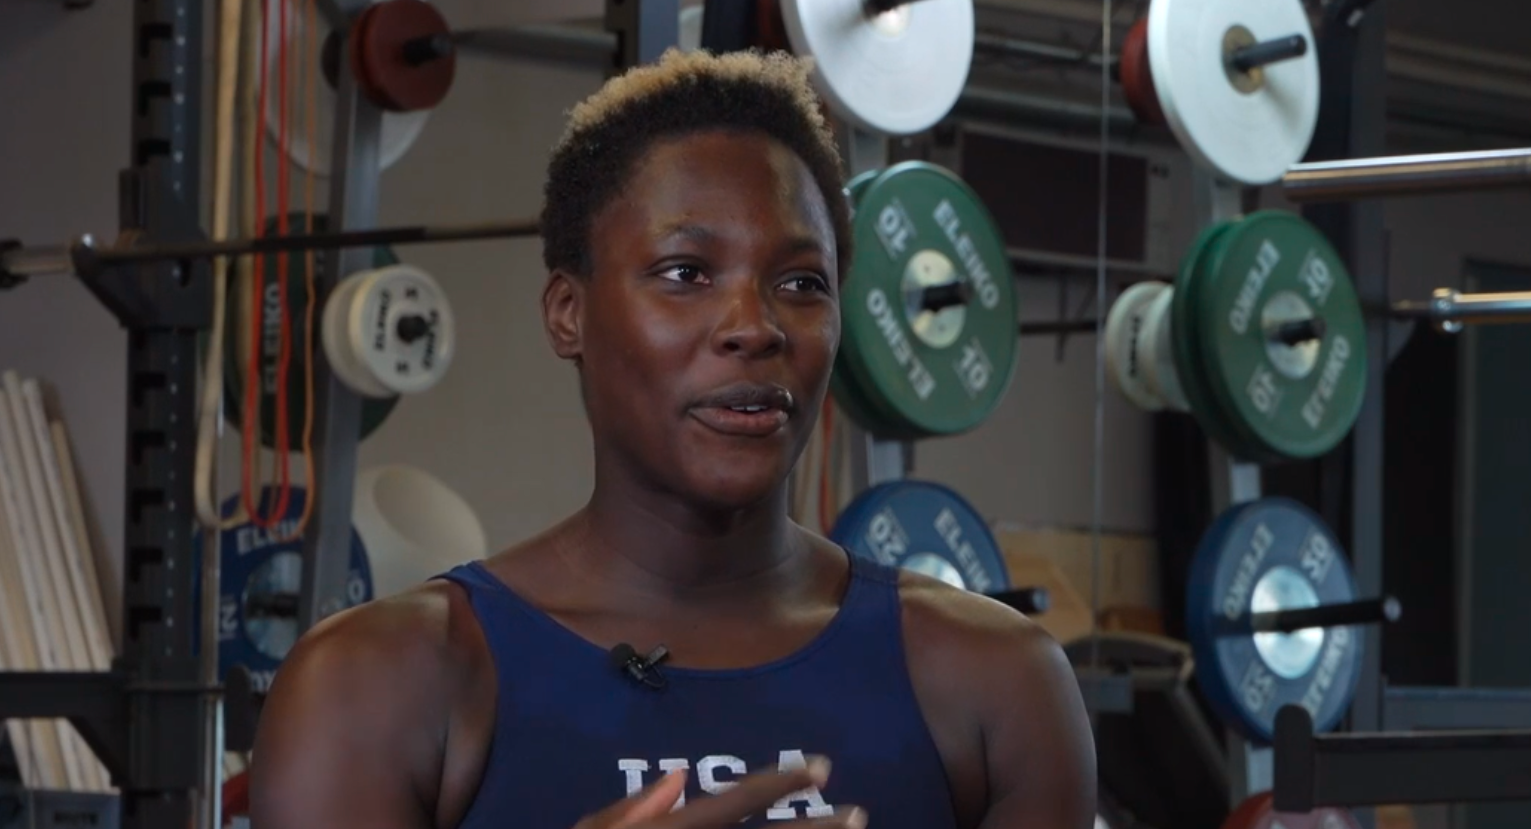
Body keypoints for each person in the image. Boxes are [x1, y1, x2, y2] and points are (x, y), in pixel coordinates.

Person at [249, 47, 1096, 829]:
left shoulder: (996, 681)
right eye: (685, 274)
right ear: (567, 312)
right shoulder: (376, 685)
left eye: (801, 281)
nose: (754, 326)